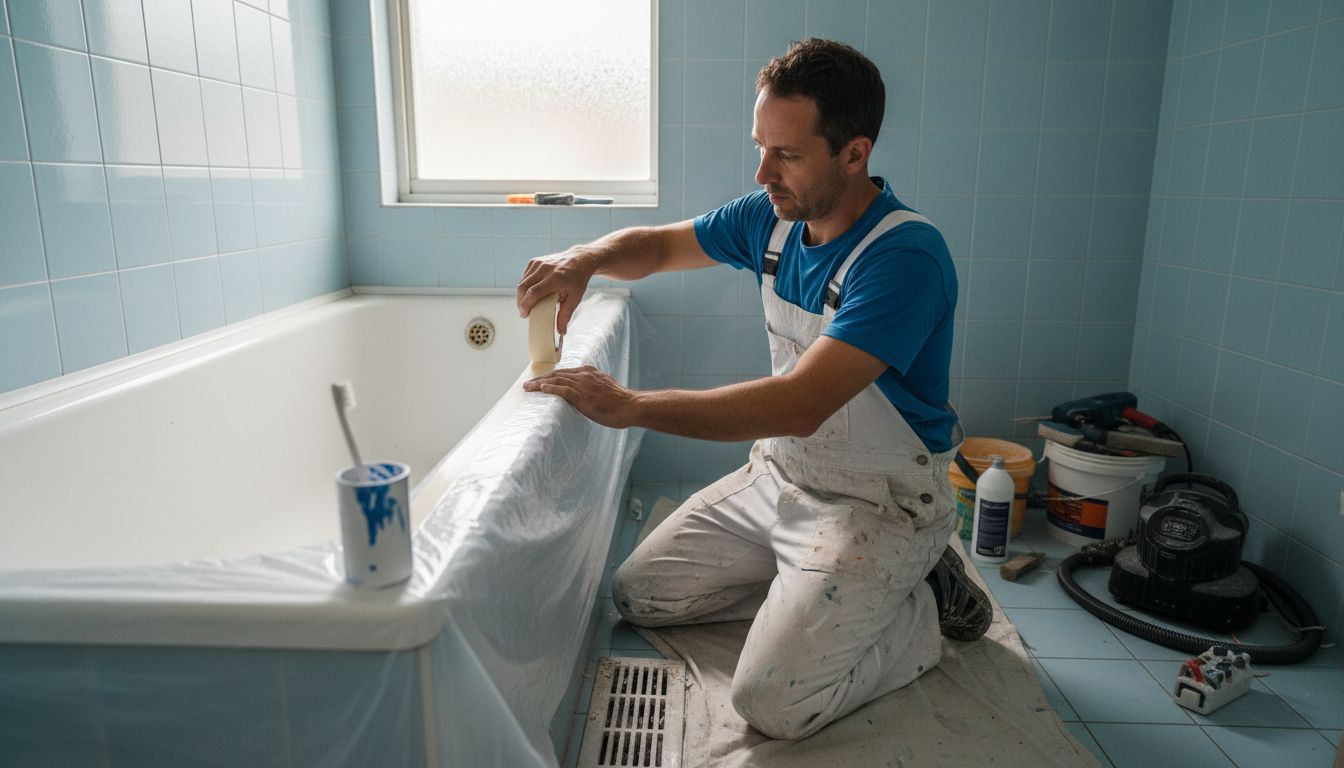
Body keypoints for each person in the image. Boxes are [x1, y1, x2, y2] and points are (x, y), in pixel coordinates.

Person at [515, 38, 990, 741]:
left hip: (876, 505)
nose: (763, 172)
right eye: (760, 146)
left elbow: (798, 404)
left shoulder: (905, 258)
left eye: (787, 154)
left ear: (855, 153)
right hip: (783, 476)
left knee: (773, 704)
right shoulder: (773, 218)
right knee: (639, 595)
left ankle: (917, 603)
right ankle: (823, 590)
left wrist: (631, 407)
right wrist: (584, 258)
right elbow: (662, 246)